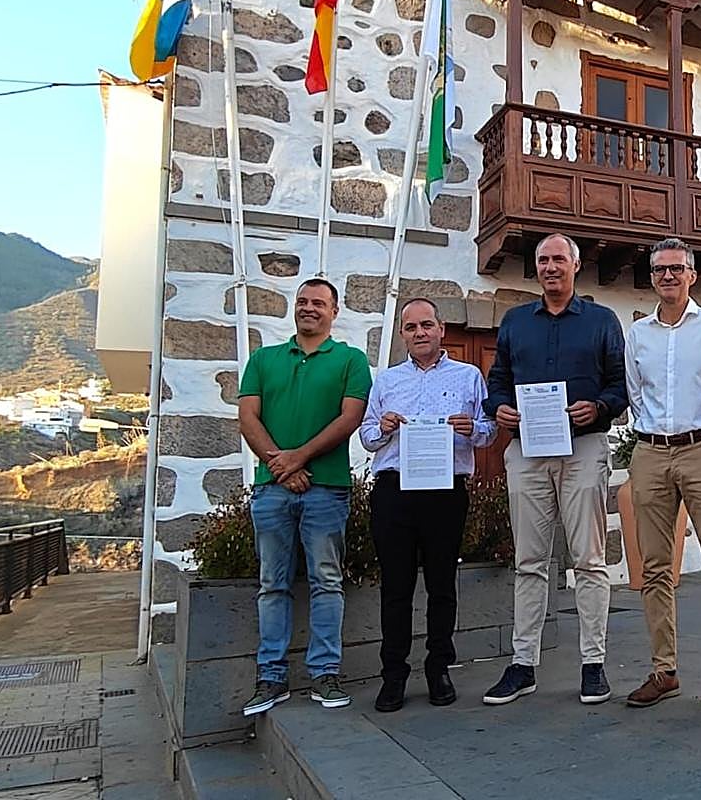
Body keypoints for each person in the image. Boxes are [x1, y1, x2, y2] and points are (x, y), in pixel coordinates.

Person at [481, 233, 628, 706]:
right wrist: (499, 407)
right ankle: (523, 665)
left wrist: (600, 407)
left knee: (587, 559)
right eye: (543, 260)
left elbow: (621, 387)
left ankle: (593, 663)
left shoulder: (603, 321)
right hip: (526, 451)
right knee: (529, 562)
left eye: (558, 259)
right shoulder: (516, 321)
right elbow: (498, 380)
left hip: (584, 448)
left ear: (575, 265)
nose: (550, 267)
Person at [623, 238, 701, 713]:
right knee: (654, 568)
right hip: (651, 452)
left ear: (692, 275)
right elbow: (636, 395)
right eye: (659, 270)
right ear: (651, 277)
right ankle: (664, 669)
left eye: (677, 269)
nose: (668, 277)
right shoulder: (638, 334)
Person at [237, 278, 372, 716]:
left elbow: (349, 418)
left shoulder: (351, 360)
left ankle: (325, 674)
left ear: (335, 312)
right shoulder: (263, 359)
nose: (308, 308)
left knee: (326, 582)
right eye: (302, 302)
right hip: (272, 490)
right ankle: (270, 678)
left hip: (326, 490)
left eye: (318, 303)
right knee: (272, 584)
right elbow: (248, 417)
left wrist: (296, 459)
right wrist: (282, 464)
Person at [359, 298, 496, 713]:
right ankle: (393, 676)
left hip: (444, 491)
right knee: (395, 589)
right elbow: (365, 436)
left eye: (426, 325)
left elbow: (488, 431)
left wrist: (474, 428)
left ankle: (439, 668)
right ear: (403, 334)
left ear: (441, 330)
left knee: (441, 586)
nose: (419, 333)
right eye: (411, 327)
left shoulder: (469, 376)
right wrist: (380, 429)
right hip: (394, 490)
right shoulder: (386, 381)